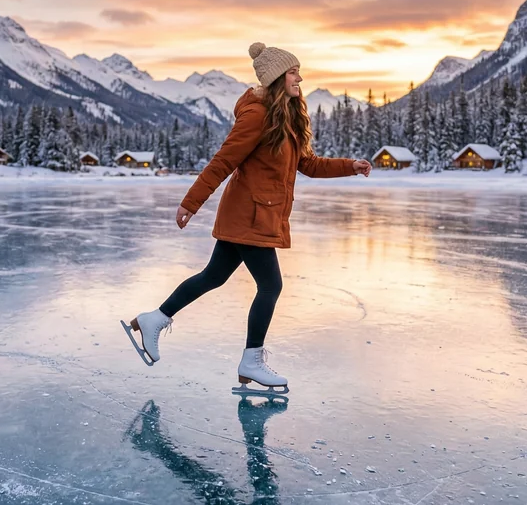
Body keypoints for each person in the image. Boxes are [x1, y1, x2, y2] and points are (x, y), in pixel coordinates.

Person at [122, 42, 370, 394]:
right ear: (276, 78)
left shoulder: (287, 117)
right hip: (249, 215)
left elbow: (309, 164)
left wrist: (350, 166)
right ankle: (251, 361)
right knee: (271, 286)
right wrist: (191, 203)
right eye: (293, 72)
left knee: (214, 276)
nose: (300, 77)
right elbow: (224, 161)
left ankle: (154, 319)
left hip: (255, 213)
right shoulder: (257, 115)